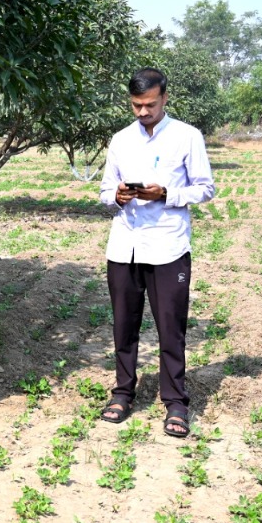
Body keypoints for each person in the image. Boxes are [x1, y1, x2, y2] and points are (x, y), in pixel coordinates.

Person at [98, 67, 215, 438]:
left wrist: (166, 194)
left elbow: (205, 188)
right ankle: (122, 393)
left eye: (149, 105)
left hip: (168, 246)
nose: (143, 112)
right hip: (125, 246)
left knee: (170, 327)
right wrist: (116, 197)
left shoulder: (187, 137)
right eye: (136, 105)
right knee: (123, 326)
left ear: (165, 98)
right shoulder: (120, 140)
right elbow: (104, 193)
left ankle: (176, 401)